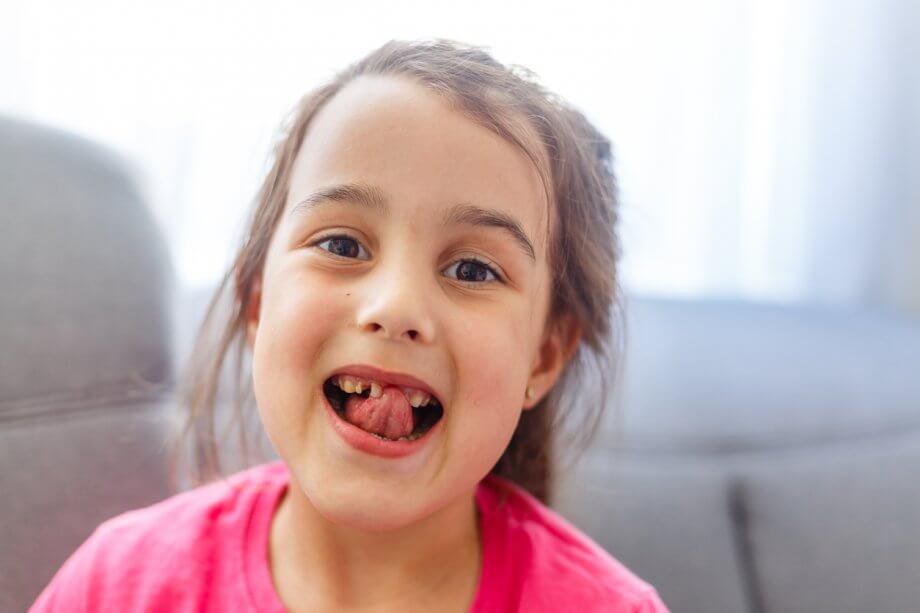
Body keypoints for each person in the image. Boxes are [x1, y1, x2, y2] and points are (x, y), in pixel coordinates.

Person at [31, 38, 670, 612]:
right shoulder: (117, 586)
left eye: (473, 270)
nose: (394, 307)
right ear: (257, 301)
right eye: (341, 245)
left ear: (544, 355)